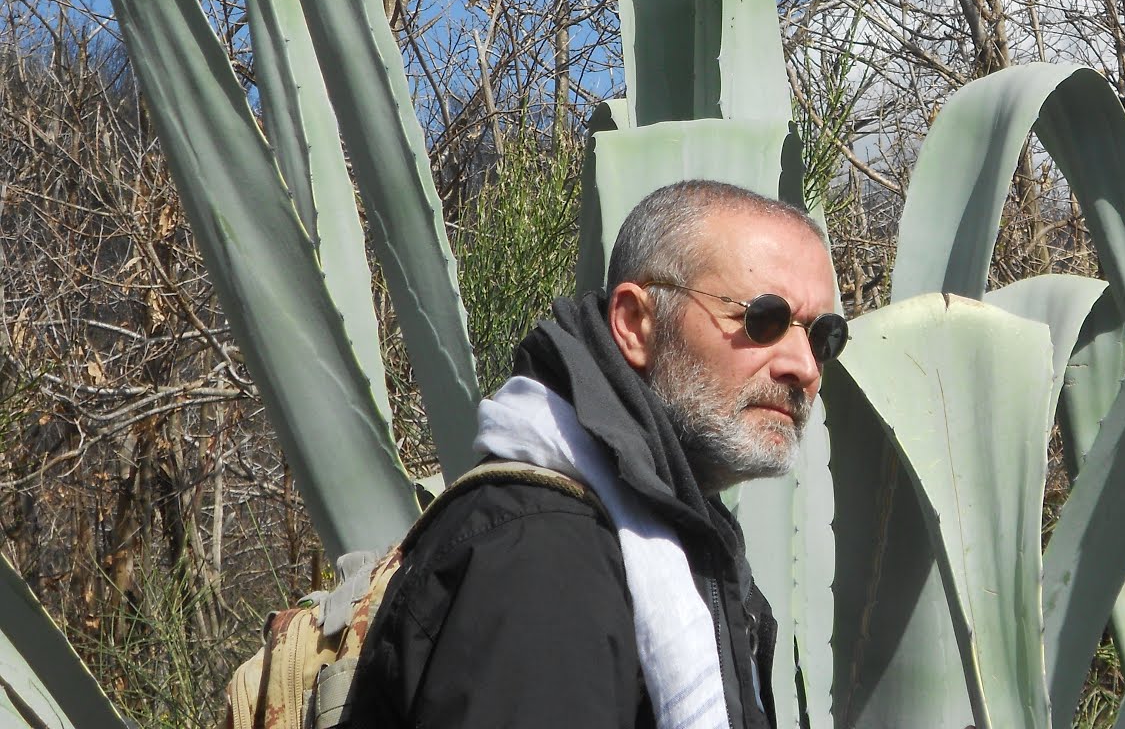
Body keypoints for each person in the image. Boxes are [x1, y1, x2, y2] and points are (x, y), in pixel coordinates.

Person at [342, 179, 847, 729]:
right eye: (764, 320)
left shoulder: (681, 546)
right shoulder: (539, 553)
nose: (804, 364)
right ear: (635, 324)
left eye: (823, 336)